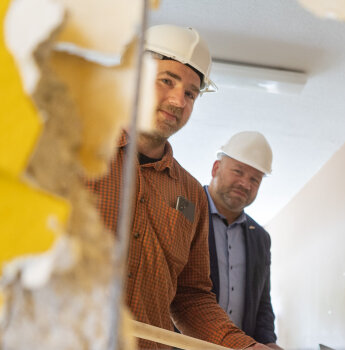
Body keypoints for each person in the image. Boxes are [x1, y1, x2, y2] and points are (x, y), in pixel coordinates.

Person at [85, 24, 268, 350]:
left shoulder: (191, 194)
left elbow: (191, 298)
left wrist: (248, 347)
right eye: (167, 80)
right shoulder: (72, 151)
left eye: (190, 93)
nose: (177, 100)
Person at [204, 131, 283, 350]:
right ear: (215, 168)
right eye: (238, 172)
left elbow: (262, 302)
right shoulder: (187, 211)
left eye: (254, 179)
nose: (245, 184)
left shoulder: (260, 238)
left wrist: (269, 342)